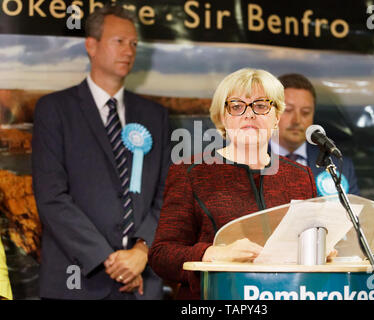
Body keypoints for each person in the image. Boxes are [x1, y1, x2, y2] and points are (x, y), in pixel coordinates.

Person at [32, 5, 170, 300]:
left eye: (134, 43)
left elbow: (166, 193)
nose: (128, 51)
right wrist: (111, 260)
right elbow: (52, 196)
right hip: (76, 282)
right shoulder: (54, 110)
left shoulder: (155, 116)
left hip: (142, 283)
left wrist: (141, 251)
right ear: (91, 45)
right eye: (119, 41)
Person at [148, 68, 319, 299]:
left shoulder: (301, 176)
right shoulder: (190, 173)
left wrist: (320, 252)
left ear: (277, 116)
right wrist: (213, 254)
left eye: (261, 105)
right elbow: (161, 255)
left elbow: (309, 244)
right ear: (222, 117)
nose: (249, 114)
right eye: (237, 106)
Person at [270, 73, 360, 196]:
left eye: (305, 112)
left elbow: (354, 213)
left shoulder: (337, 165)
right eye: (288, 110)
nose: (297, 120)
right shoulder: (248, 162)